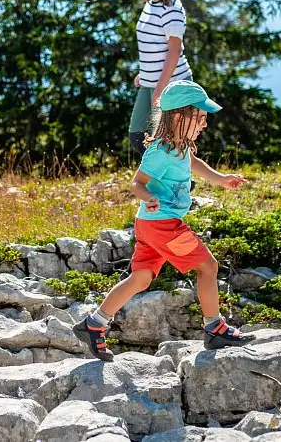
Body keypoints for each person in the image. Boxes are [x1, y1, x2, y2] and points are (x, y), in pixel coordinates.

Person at [76, 80, 252, 361]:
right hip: (163, 224)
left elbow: (193, 164)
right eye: (201, 118)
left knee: (141, 278)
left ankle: (94, 323)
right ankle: (214, 328)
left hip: (151, 225)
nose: (204, 124)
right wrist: (148, 196)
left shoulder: (181, 146)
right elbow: (136, 183)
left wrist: (221, 179)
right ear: (180, 117)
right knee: (208, 266)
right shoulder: (160, 151)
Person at [129, 0, 193, 157]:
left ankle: (178, 184)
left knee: (166, 141)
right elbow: (152, 44)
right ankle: (163, 181)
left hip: (170, 84)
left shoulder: (172, 8)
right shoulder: (152, 3)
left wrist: (160, 88)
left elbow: (174, 52)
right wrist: (144, 72)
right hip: (149, 82)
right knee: (137, 135)